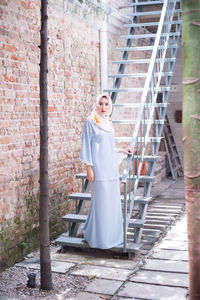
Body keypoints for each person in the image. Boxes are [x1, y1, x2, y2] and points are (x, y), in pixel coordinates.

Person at [80, 93, 133, 249]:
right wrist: (88, 168)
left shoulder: (108, 122)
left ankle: (112, 236)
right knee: (101, 203)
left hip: (111, 168)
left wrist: (123, 151)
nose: (103, 107)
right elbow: (86, 146)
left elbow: (108, 147)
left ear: (110, 106)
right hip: (99, 169)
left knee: (111, 202)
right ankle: (100, 239)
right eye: (101, 104)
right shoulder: (90, 122)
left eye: (106, 104)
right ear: (96, 105)